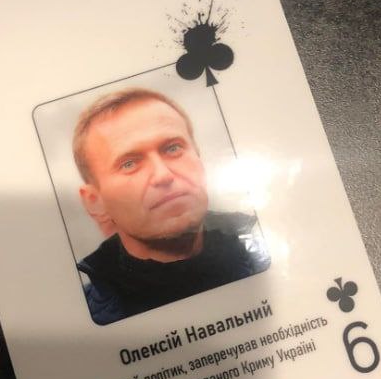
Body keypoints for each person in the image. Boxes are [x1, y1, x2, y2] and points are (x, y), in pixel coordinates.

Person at [73, 87, 270, 325]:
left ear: (199, 158)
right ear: (95, 201)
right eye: (129, 164)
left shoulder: (276, 264)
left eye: (173, 148)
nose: (163, 175)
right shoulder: (80, 323)